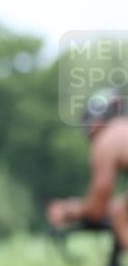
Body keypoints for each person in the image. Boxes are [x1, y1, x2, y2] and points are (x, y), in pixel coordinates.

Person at [48, 87, 128, 251]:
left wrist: (71, 210)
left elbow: (98, 209)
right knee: (122, 210)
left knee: (122, 218)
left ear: (96, 121)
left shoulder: (107, 140)